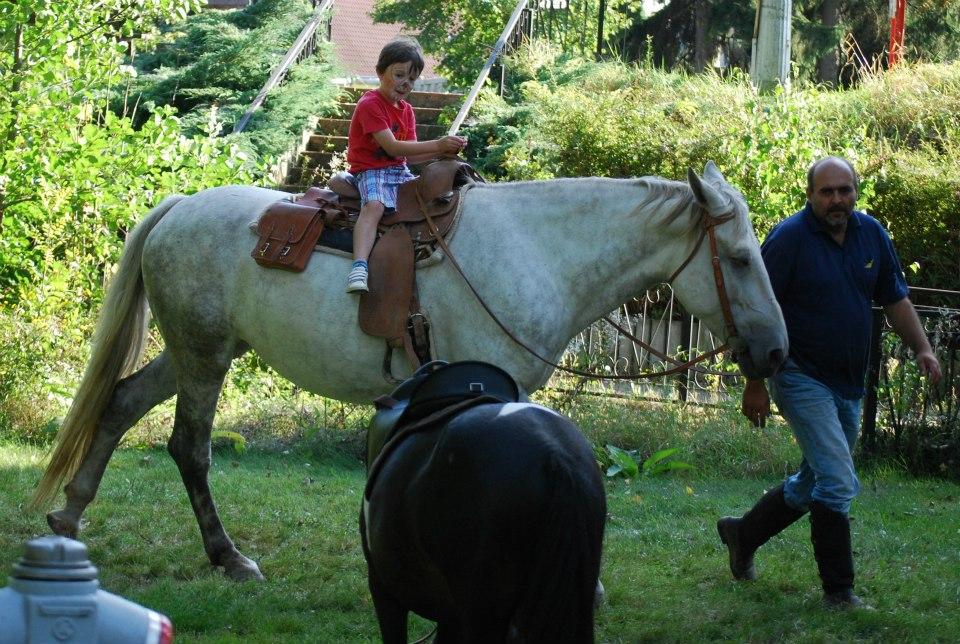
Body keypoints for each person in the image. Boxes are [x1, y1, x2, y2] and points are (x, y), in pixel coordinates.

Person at [717, 156, 942, 608]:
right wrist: (754, 382)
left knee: (813, 479)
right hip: (798, 375)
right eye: (827, 192)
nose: (837, 199)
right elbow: (754, 313)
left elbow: (895, 299)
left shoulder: (870, 234)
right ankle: (838, 591)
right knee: (837, 479)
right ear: (810, 195)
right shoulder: (789, 240)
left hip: (849, 382)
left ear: (855, 191)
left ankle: (744, 534)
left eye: (844, 190)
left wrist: (922, 348)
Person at [343, 37, 466, 292]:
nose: (405, 83)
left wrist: (442, 154)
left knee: (428, 202)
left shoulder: (407, 110)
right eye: (399, 75)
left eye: (412, 79)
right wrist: (438, 144)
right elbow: (393, 147)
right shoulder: (370, 104)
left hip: (399, 171)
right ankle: (359, 265)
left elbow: (410, 156)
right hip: (371, 170)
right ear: (380, 72)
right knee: (375, 206)